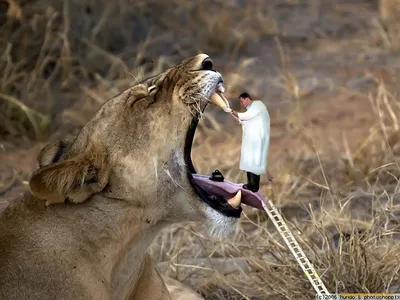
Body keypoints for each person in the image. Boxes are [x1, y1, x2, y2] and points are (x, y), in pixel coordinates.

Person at [228, 92, 271, 192]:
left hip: (257, 139)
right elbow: (241, 121)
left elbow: (245, 116)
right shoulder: (252, 111)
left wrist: (230, 110)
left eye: (242, 101)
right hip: (251, 140)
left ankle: (254, 185)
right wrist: (230, 112)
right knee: (249, 162)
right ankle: (250, 184)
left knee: (254, 162)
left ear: (247, 99)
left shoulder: (258, 105)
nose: (242, 104)